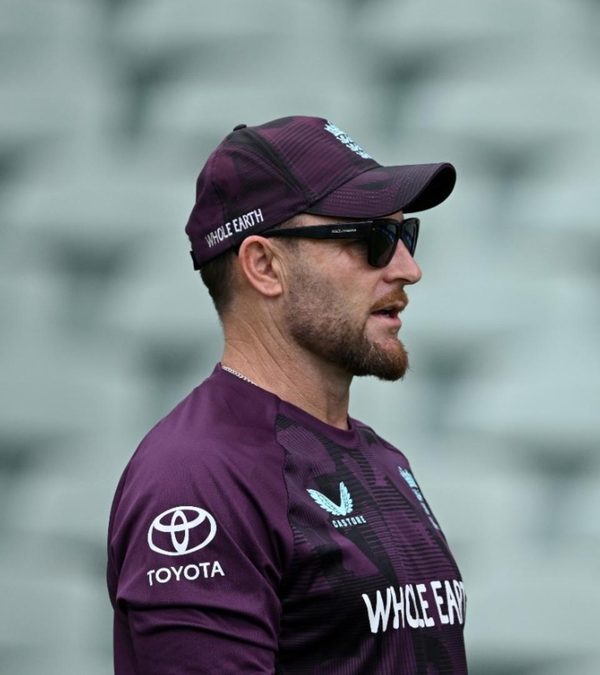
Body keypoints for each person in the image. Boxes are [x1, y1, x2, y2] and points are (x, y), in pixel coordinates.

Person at [106, 116, 467, 673]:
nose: (409, 269)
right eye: (372, 239)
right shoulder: (198, 477)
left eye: (406, 234)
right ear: (265, 266)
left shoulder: (382, 460)